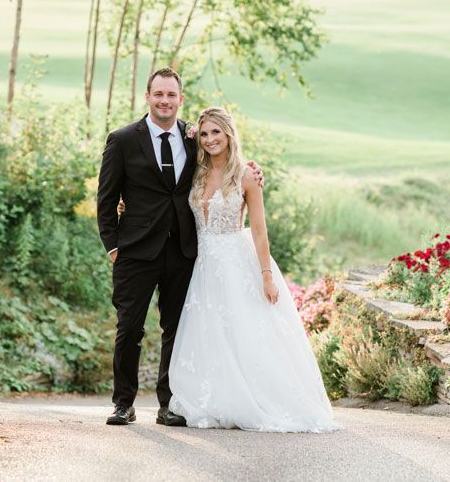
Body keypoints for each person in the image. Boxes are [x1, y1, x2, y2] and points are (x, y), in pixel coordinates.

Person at [96, 68, 262, 426]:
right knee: (130, 328)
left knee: (178, 329)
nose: (165, 101)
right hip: (135, 252)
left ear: (180, 99)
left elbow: (224, 163)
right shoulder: (122, 140)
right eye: (158, 94)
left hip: (185, 251)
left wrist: (254, 169)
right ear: (147, 96)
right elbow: (106, 199)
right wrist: (113, 246)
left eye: (171, 95)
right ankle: (123, 403)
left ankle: (169, 403)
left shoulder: (193, 138)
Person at [168, 107, 338, 432]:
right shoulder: (196, 173)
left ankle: (255, 400)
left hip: (236, 261)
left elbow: (259, 230)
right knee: (210, 333)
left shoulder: (247, 175)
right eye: (204, 134)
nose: (210, 139)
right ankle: (215, 400)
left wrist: (266, 276)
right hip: (203, 264)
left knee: (244, 331)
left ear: (229, 134)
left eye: (216, 132)